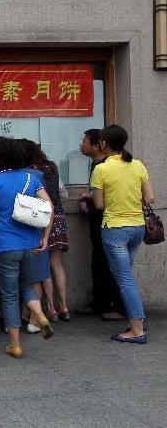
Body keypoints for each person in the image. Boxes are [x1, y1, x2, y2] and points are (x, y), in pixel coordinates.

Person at [0, 138, 54, 358]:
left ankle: (15, 344)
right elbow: (48, 208)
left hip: (6, 245)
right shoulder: (33, 178)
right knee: (26, 284)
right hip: (31, 243)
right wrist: (45, 238)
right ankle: (39, 314)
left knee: (10, 294)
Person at [91, 124, 154, 344]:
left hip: (115, 228)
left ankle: (137, 329)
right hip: (138, 226)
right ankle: (137, 320)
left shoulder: (102, 169)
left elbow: (98, 204)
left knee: (124, 280)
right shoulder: (137, 165)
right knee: (125, 277)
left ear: (104, 144)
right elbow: (150, 197)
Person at [78, 129, 126, 321]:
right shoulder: (96, 164)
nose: (81, 144)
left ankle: (118, 306)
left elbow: (103, 197)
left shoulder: (105, 166)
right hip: (99, 219)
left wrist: (87, 197)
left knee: (109, 264)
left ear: (99, 145)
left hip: (109, 220)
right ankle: (99, 302)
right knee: (99, 262)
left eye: (84, 141)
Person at [29, 144, 71, 322]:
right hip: (59, 216)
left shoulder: (32, 171)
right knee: (58, 265)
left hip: (42, 219)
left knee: (43, 267)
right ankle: (65, 307)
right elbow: (63, 193)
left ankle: (51, 309)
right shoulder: (51, 166)